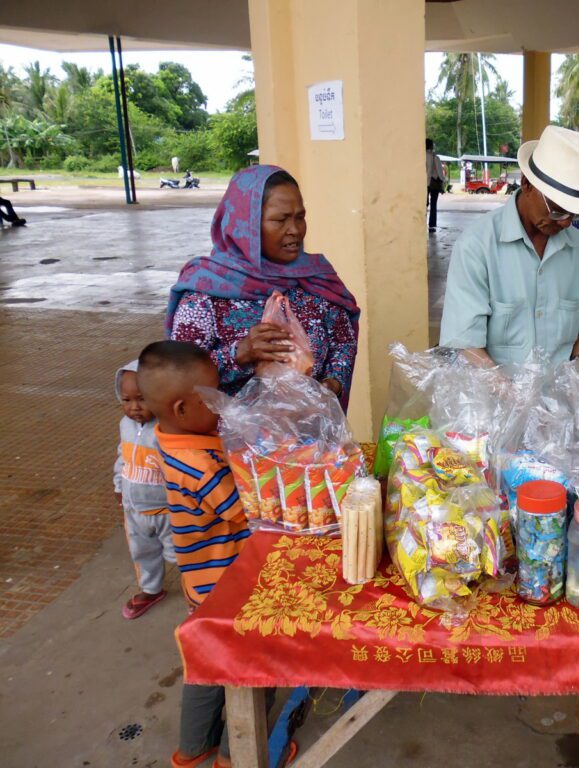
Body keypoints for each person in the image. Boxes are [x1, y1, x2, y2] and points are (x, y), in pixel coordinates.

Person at [137, 341, 290, 768]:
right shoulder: (201, 464)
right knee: (255, 667)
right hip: (229, 588)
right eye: (213, 396)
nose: (222, 403)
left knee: (206, 668)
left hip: (200, 583)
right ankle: (236, 754)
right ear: (182, 408)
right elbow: (246, 511)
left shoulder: (171, 437)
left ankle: (192, 749)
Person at [167, 165, 360, 410]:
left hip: (309, 428)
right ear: (245, 225)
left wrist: (333, 383)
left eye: (300, 217)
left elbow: (343, 342)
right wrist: (240, 354)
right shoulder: (205, 294)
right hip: (229, 432)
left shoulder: (316, 278)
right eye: (280, 220)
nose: (295, 230)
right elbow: (179, 375)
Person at [439, 125, 579, 372]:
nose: (566, 223)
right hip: (494, 389)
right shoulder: (476, 246)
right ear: (527, 184)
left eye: (575, 214)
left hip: (558, 392)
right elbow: (465, 339)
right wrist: (503, 388)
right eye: (558, 210)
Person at [113, 360, 175, 620]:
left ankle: (198, 595)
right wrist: (119, 485)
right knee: (142, 553)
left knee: (182, 555)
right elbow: (122, 457)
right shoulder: (125, 425)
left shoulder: (167, 430)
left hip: (167, 512)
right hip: (134, 510)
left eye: (142, 399)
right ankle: (150, 590)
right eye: (126, 400)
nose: (134, 407)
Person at [426, 138, 446, 233]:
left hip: (424, 184)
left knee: (423, 204)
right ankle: (431, 225)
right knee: (433, 204)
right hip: (434, 183)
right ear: (431, 146)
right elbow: (440, 173)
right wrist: (442, 183)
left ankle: (420, 223)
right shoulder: (435, 158)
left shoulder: (420, 157)